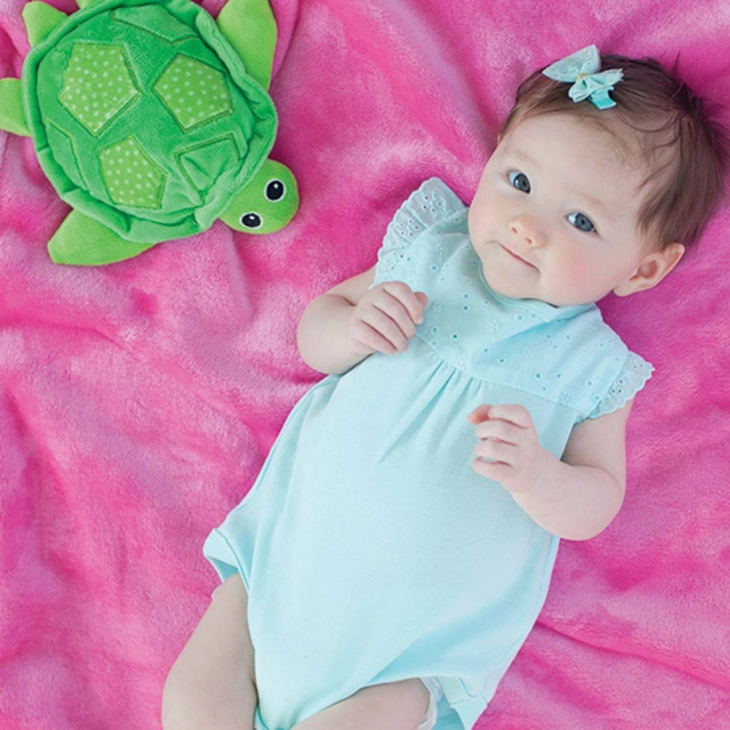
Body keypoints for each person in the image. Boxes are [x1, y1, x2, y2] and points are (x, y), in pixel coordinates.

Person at [161, 46, 728, 730]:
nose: (526, 226)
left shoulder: (594, 368)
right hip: (279, 569)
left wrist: (540, 476)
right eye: (519, 180)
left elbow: (597, 501)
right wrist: (353, 327)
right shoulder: (429, 251)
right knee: (194, 701)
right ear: (494, 156)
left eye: (580, 221)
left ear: (642, 270)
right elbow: (316, 333)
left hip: (409, 658)